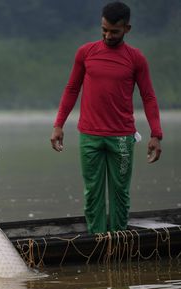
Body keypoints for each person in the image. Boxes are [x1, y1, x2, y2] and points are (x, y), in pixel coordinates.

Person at [50, 1, 163, 234]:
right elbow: (72, 89)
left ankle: (119, 239)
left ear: (127, 29)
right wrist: (58, 125)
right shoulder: (86, 52)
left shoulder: (136, 58)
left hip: (122, 137)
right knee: (93, 191)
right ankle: (98, 239)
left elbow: (149, 97)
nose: (108, 35)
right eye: (104, 30)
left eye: (114, 31)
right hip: (89, 136)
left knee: (120, 192)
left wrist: (156, 134)